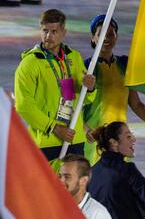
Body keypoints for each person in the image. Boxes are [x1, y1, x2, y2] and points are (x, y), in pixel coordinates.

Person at [14, 9, 95, 163]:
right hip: (46, 141)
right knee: (45, 187)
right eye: (45, 31)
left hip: (74, 138)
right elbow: (23, 105)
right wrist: (54, 128)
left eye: (54, 31)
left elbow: (85, 98)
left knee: (75, 186)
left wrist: (90, 88)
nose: (49, 36)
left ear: (63, 33)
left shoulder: (74, 57)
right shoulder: (30, 63)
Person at [83, 15, 145, 164]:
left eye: (110, 34)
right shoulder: (86, 68)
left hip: (120, 140)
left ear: (116, 36)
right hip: (95, 140)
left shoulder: (124, 65)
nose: (106, 38)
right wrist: (86, 130)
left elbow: (136, 104)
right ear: (93, 38)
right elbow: (74, 108)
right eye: (101, 35)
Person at [88, 121, 145, 219]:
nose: (134, 140)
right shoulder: (126, 170)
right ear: (114, 142)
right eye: (128, 137)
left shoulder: (91, 172)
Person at [60, 154, 112, 219]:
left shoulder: (98, 214)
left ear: (84, 180)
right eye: (60, 176)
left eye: (67, 177)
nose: (60, 181)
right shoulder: (52, 206)